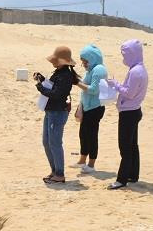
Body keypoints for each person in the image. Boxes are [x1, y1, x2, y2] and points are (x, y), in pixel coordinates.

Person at [106, 39, 148, 189]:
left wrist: (115, 85)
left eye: (125, 54)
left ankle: (121, 179)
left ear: (132, 54)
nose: (123, 57)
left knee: (125, 147)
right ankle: (133, 175)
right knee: (132, 146)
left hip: (129, 113)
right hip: (133, 111)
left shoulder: (136, 72)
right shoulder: (138, 68)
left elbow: (129, 93)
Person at [35, 46, 79, 184]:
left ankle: (59, 174)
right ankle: (55, 171)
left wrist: (40, 87)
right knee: (46, 142)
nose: (53, 62)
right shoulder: (60, 72)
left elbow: (56, 94)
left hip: (57, 112)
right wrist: (42, 80)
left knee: (54, 143)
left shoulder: (65, 75)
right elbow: (53, 86)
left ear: (62, 61)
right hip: (51, 111)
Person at [73, 44, 108, 173]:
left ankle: (91, 165)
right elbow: (85, 83)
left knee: (92, 136)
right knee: (83, 134)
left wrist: (77, 83)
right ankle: (82, 161)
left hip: (95, 108)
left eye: (85, 61)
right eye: (82, 61)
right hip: (87, 108)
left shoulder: (99, 69)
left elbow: (93, 90)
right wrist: (76, 78)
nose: (84, 64)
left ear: (92, 58)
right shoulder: (91, 70)